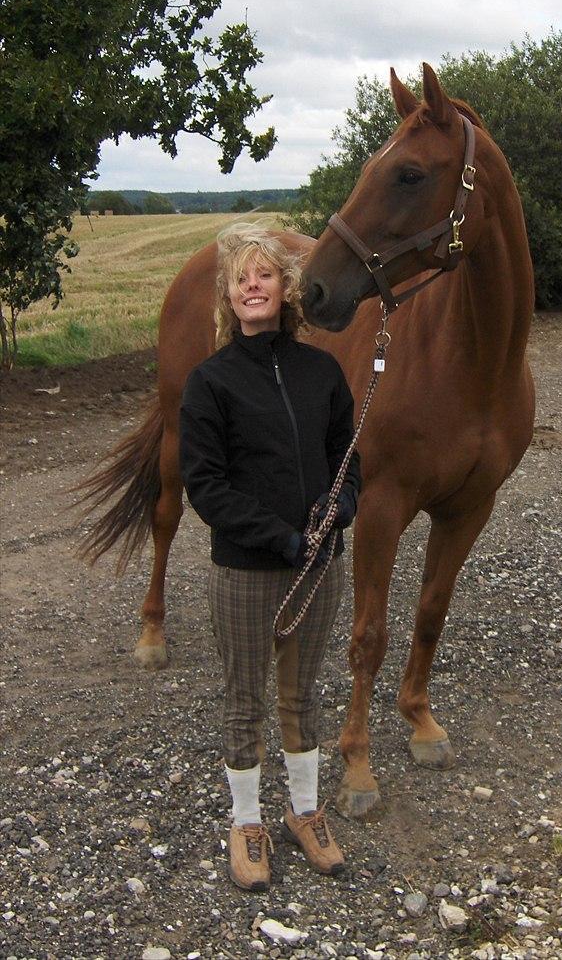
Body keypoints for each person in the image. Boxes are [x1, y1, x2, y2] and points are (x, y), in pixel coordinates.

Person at [179, 226, 361, 891]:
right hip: (245, 570)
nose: (253, 285)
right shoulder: (210, 382)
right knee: (242, 698)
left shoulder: (323, 371)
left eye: (265, 274)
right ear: (229, 297)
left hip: (317, 567)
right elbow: (207, 485)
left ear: (286, 288)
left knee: (302, 694)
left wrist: (341, 509)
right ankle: (246, 820)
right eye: (240, 278)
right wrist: (279, 536)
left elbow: (348, 455)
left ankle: (305, 811)